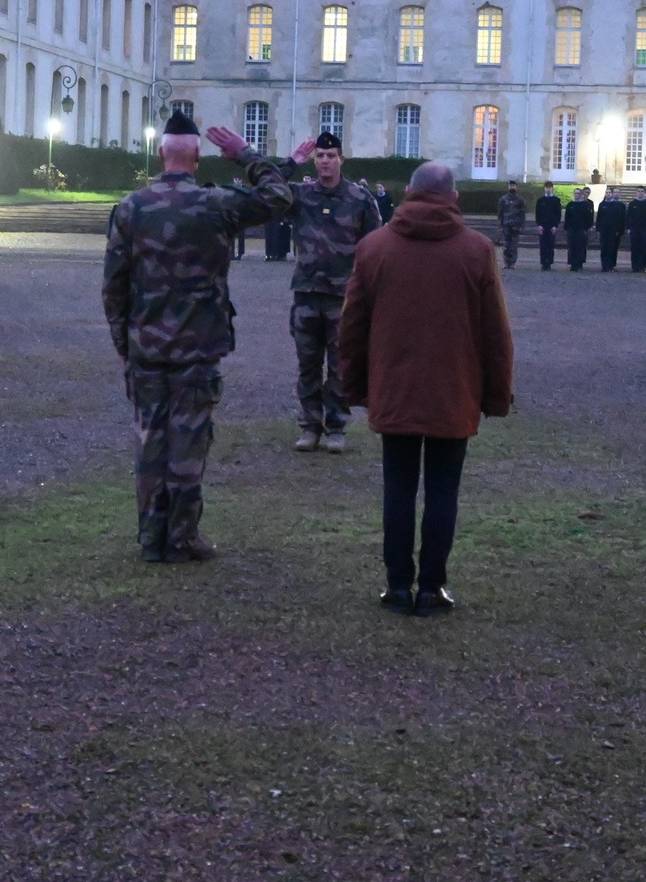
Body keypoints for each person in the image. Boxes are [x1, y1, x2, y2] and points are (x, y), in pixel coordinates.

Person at [102, 109, 292, 563]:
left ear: (160, 152)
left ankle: (151, 537)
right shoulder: (216, 203)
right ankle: (182, 536)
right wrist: (245, 155)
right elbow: (279, 197)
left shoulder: (132, 206)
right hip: (198, 344)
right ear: (199, 156)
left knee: (150, 441)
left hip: (147, 346)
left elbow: (113, 286)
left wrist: (126, 346)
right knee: (188, 442)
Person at [338, 161, 514, 618]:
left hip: (394, 388)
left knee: (397, 490)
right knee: (442, 492)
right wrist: (495, 395)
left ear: (407, 194)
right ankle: (431, 588)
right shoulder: (476, 250)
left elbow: (352, 327)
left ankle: (398, 586)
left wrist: (355, 387)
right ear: (453, 198)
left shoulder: (375, 247)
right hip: (453, 390)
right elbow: (495, 330)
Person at [283, 131, 384, 453]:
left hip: (344, 297)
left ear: (341, 158)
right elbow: (265, 191)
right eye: (320, 157)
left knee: (340, 365)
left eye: (331, 156)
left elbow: (375, 246)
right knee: (308, 365)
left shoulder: (359, 199)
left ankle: (336, 427)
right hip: (307, 293)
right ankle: (310, 425)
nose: (325, 161)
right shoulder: (301, 195)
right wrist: (291, 163)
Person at [625, 186, 646, 273]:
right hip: (634, 229)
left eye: (642, 191)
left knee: (644, 248)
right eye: (638, 191)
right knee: (634, 248)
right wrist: (628, 228)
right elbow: (628, 217)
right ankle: (635, 266)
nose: (640, 193)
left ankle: (643, 265)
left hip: (645, 229)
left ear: (645, 193)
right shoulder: (632, 204)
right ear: (636, 193)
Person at [595, 187, 626, 271]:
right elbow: (599, 218)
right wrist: (598, 229)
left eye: (609, 193)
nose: (608, 194)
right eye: (606, 192)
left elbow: (618, 219)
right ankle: (604, 265)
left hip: (612, 231)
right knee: (603, 248)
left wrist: (618, 230)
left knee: (611, 248)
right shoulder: (602, 204)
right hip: (603, 230)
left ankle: (610, 265)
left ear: (612, 194)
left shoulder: (616, 205)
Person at [564, 186, 594, 271]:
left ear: (581, 195)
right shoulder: (570, 205)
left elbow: (589, 218)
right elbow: (567, 217)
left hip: (581, 229)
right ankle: (572, 264)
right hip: (571, 229)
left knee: (580, 247)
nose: (576, 195)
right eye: (575, 193)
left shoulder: (585, 205)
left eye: (578, 193)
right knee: (572, 246)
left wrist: (587, 227)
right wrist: (566, 228)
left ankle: (579, 264)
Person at [497, 182, 525, 270]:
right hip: (506, 225)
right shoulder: (503, 199)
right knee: (506, 244)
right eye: (510, 186)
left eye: (513, 186)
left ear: (516, 187)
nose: (512, 187)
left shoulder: (520, 199)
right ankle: (506, 262)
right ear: (508, 187)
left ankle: (512, 262)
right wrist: (500, 225)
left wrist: (521, 225)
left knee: (514, 245)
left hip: (515, 225)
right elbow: (500, 213)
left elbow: (522, 213)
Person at [534, 183, 562, 270]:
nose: (548, 189)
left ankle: (549, 262)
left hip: (552, 225)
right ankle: (543, 262)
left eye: (550, 188)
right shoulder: (540, 200)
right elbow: (537, 213)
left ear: (552, 189)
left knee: (550, 245)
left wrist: (555, 225)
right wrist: (539, 225)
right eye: (547, 188)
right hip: (542, 225)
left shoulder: (556, 200)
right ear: (544, 189)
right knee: (543, 245)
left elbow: (558, 214)